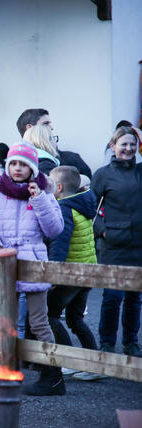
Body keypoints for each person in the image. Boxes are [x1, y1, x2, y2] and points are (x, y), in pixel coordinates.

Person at [0, 142, 65, 396]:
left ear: (32, 167)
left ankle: (53, 377)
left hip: (33, 263)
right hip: (5, 262)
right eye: (13, 163)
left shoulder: (44, 193)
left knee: (39, 321)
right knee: (4, 321)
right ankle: (7, 370)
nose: (17, 169)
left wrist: (38, 200)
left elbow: (55, 230)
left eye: (23, 164)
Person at [46, 166, 103, 381]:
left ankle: (69, 361)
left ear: (58, 187)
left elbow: (60, 242)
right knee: (75, 318)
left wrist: (53, 275)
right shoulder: (84, 204)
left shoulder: (63, 208)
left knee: (51, 315)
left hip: (70, 273)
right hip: (88, 270)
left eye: (50, 186)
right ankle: (95, 365)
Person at [91, 127, 142, 358]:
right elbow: (90, 207)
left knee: (134, 298)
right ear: (113, 146)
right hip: (113, 246)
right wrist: (102, 232)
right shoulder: (102, 174)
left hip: (138, 246)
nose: (129, 149)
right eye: (124, 144)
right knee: (112, 297)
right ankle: (107, 345)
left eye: (132, 144)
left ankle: (131, 343)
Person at [16, 108, 91, 178]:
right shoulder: (17, 161)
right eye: (46, 123)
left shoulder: (71, 159)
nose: (51, 127)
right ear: (30, 128)